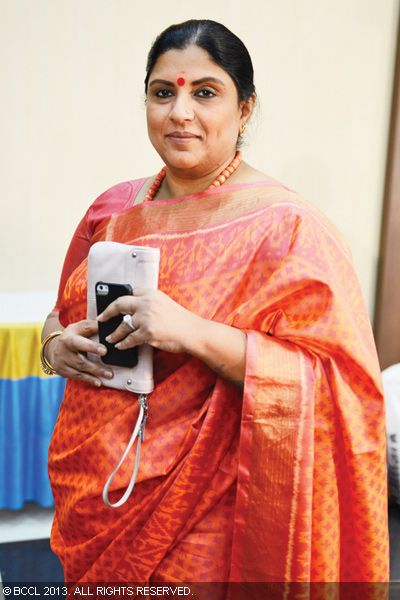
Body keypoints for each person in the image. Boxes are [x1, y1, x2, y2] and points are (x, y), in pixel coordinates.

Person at [42, 19, 389, 584]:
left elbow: (340, 386)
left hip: (212, 501)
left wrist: (192, 332)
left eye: (205, 92)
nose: (180, 112)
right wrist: (54, 345)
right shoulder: (111, 209)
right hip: (96, 486)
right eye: (163, 92)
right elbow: (61, 311)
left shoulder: (291, 229)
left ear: (245, 109)